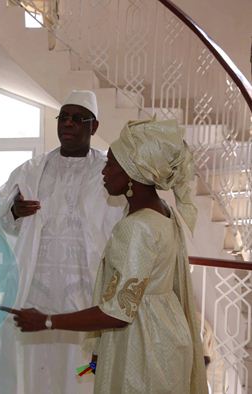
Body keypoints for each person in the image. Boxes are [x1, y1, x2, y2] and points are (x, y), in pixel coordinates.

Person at [12, 119, 208, 394]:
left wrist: (46, 321)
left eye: (111, 164)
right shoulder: (163, 212)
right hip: (166, 338)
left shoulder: (136, 228)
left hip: (142, 349)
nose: (104, 171)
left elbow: (117, 313)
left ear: (132, 173)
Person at [0, 90, 124, 394]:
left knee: (80, 372)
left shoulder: (108, 172)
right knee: (32, 370)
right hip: (36, 290)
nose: (68, 124)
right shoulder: (32, 170)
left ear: (93, 127)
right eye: (63, 117)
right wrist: (13, 210)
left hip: (84, 293)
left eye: (77, 118)